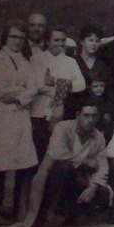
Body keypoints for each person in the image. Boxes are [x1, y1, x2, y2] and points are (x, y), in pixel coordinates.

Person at [8, 101, 110, 227]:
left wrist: (93, 187)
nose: (90, 120)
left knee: (102, 193)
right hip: (53, 177)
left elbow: (102, 165)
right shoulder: (63, 127)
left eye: (94, 116)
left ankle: (71, 214)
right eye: (86, 115)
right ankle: (52, 213)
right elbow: (59, 153)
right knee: (63, 167)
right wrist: (84, 162)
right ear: (78, 115)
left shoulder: (99, 137)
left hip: (78, 178)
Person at [0, 23, 38, 225]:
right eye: (13, 37)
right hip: (1, 119)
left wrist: (21, 95)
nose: (17, 41)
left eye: (21, 38)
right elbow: (1, 91)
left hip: (20, 117)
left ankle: (17, 211)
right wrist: (22, 90)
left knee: (24, 163)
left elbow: (34, 87)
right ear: (5, 38)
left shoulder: (23, 60)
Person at [28, 26, 85, 161]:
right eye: (56, 40)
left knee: (57, 152)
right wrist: (64, 85)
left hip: (59, 113)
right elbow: (38, 85)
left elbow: (80, 85)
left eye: (63, 40)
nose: (60, 44)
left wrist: (55, 82)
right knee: (39, 152)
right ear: (48, 41)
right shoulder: (36, 59)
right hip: (39, 112)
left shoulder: (70, 62)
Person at [69, 24, 113, 116]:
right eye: (90, 40)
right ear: (82, 41)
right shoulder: (71, 62)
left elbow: (108, 94)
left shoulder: (103, 65)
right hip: (74, 109)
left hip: (97, 112)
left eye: (97, 41)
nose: (94, 44)